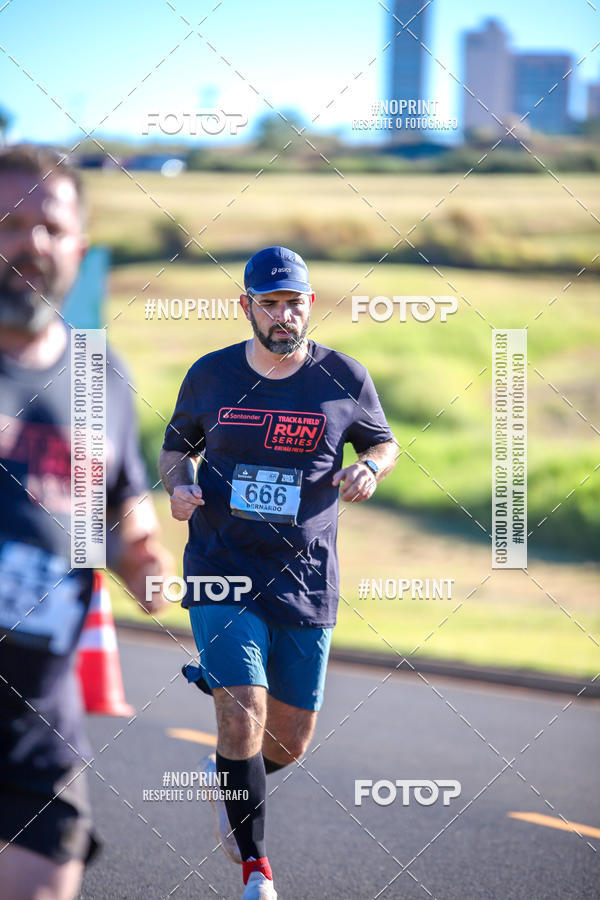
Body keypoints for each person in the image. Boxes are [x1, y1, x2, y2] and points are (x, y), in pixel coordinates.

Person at [159, 245, 397, 900]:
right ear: (247, 308)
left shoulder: (343, 377)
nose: (284, 316)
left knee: (289, 740)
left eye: (295, 302)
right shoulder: (210, 376)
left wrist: (370, 467)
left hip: (307, 575)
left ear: (309, 305)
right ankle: (256, 871)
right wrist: (178, 488)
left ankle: (231, 778)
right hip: (221, 564)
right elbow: (176, 448)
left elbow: (383, 439)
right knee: (243, 710)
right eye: (271, 303)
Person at [0, 143, 173, 900]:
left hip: (40, 720)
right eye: (9, 222)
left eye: (49, 225)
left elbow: (121, 513)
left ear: (78, 244)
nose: (30, 241)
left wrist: (147, 564)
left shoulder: (100, 372)